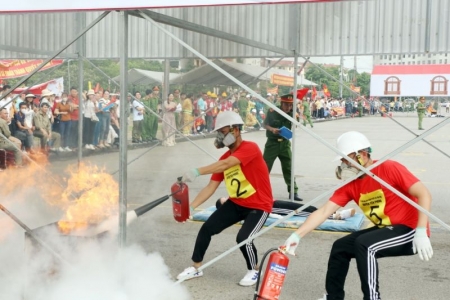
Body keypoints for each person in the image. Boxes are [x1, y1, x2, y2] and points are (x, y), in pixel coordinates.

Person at [282, 131, 433, 300]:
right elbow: (324, 211)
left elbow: (424, 194)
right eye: (342, 161)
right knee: (340, 247)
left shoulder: (389, 168)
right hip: (386, 228)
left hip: (411, 230)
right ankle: (334, 296)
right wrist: (297, 235)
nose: (343, 165)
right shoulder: (351, 184)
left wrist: (421, 231)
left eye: (346, 159)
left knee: (365, 244)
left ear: (362, 155)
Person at [177, 111, 273, 287]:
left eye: (224, 131)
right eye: (219, 132)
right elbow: (210, 187)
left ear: (236, 130)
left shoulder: (250, 148)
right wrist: (191, 208)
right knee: (207, 228)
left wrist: (197, 171)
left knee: (244, 237)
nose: (221, 135)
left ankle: (254, 270)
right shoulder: (223, 158)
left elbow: (227, 164)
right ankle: (196, 267)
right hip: (236, 203)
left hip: (259, 206)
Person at [263, 93, 302, 201]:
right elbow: (265, 124)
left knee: (289, 168)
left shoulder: (293, 112)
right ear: (281, 103)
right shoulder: (272, 112)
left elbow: (297, 125)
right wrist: (272, 129)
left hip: (285, 144)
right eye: (286, 105)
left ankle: (293, 192)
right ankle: (261, 191)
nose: (288, 107)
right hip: (272, 143)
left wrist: (296, 119)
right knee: (264, 168)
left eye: (290, 105)